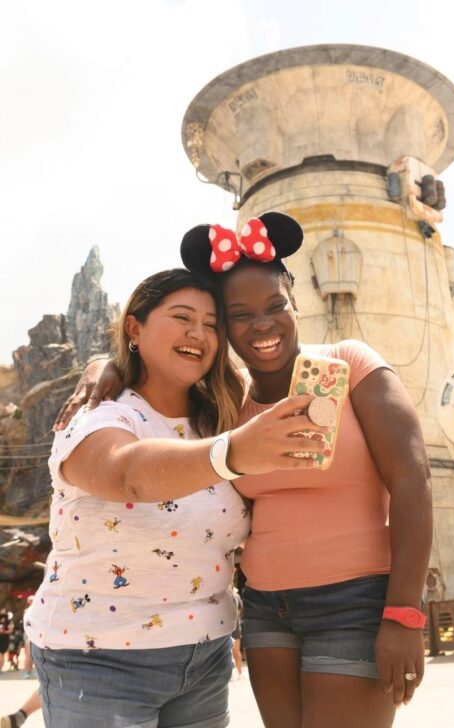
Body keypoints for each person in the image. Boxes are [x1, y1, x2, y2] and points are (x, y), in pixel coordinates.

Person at [64, 212, 433, 728]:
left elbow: (414, 481)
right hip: (266, 611)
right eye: (238, 315)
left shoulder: (353, 365)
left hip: (356, 602)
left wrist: (404, 613)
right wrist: (105, 367)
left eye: (275, 305)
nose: (261, 324)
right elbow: (153, 382)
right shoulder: (223, 402)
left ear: (295, 303)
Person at [26, 267, 327, 728]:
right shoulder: (98, 416)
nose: (198, 334)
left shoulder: (222, 417)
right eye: (182, 317)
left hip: (205, 658)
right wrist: (234, 452)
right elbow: (127, 474)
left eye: (211, 324)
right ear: (134, 327)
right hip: (98, 658)